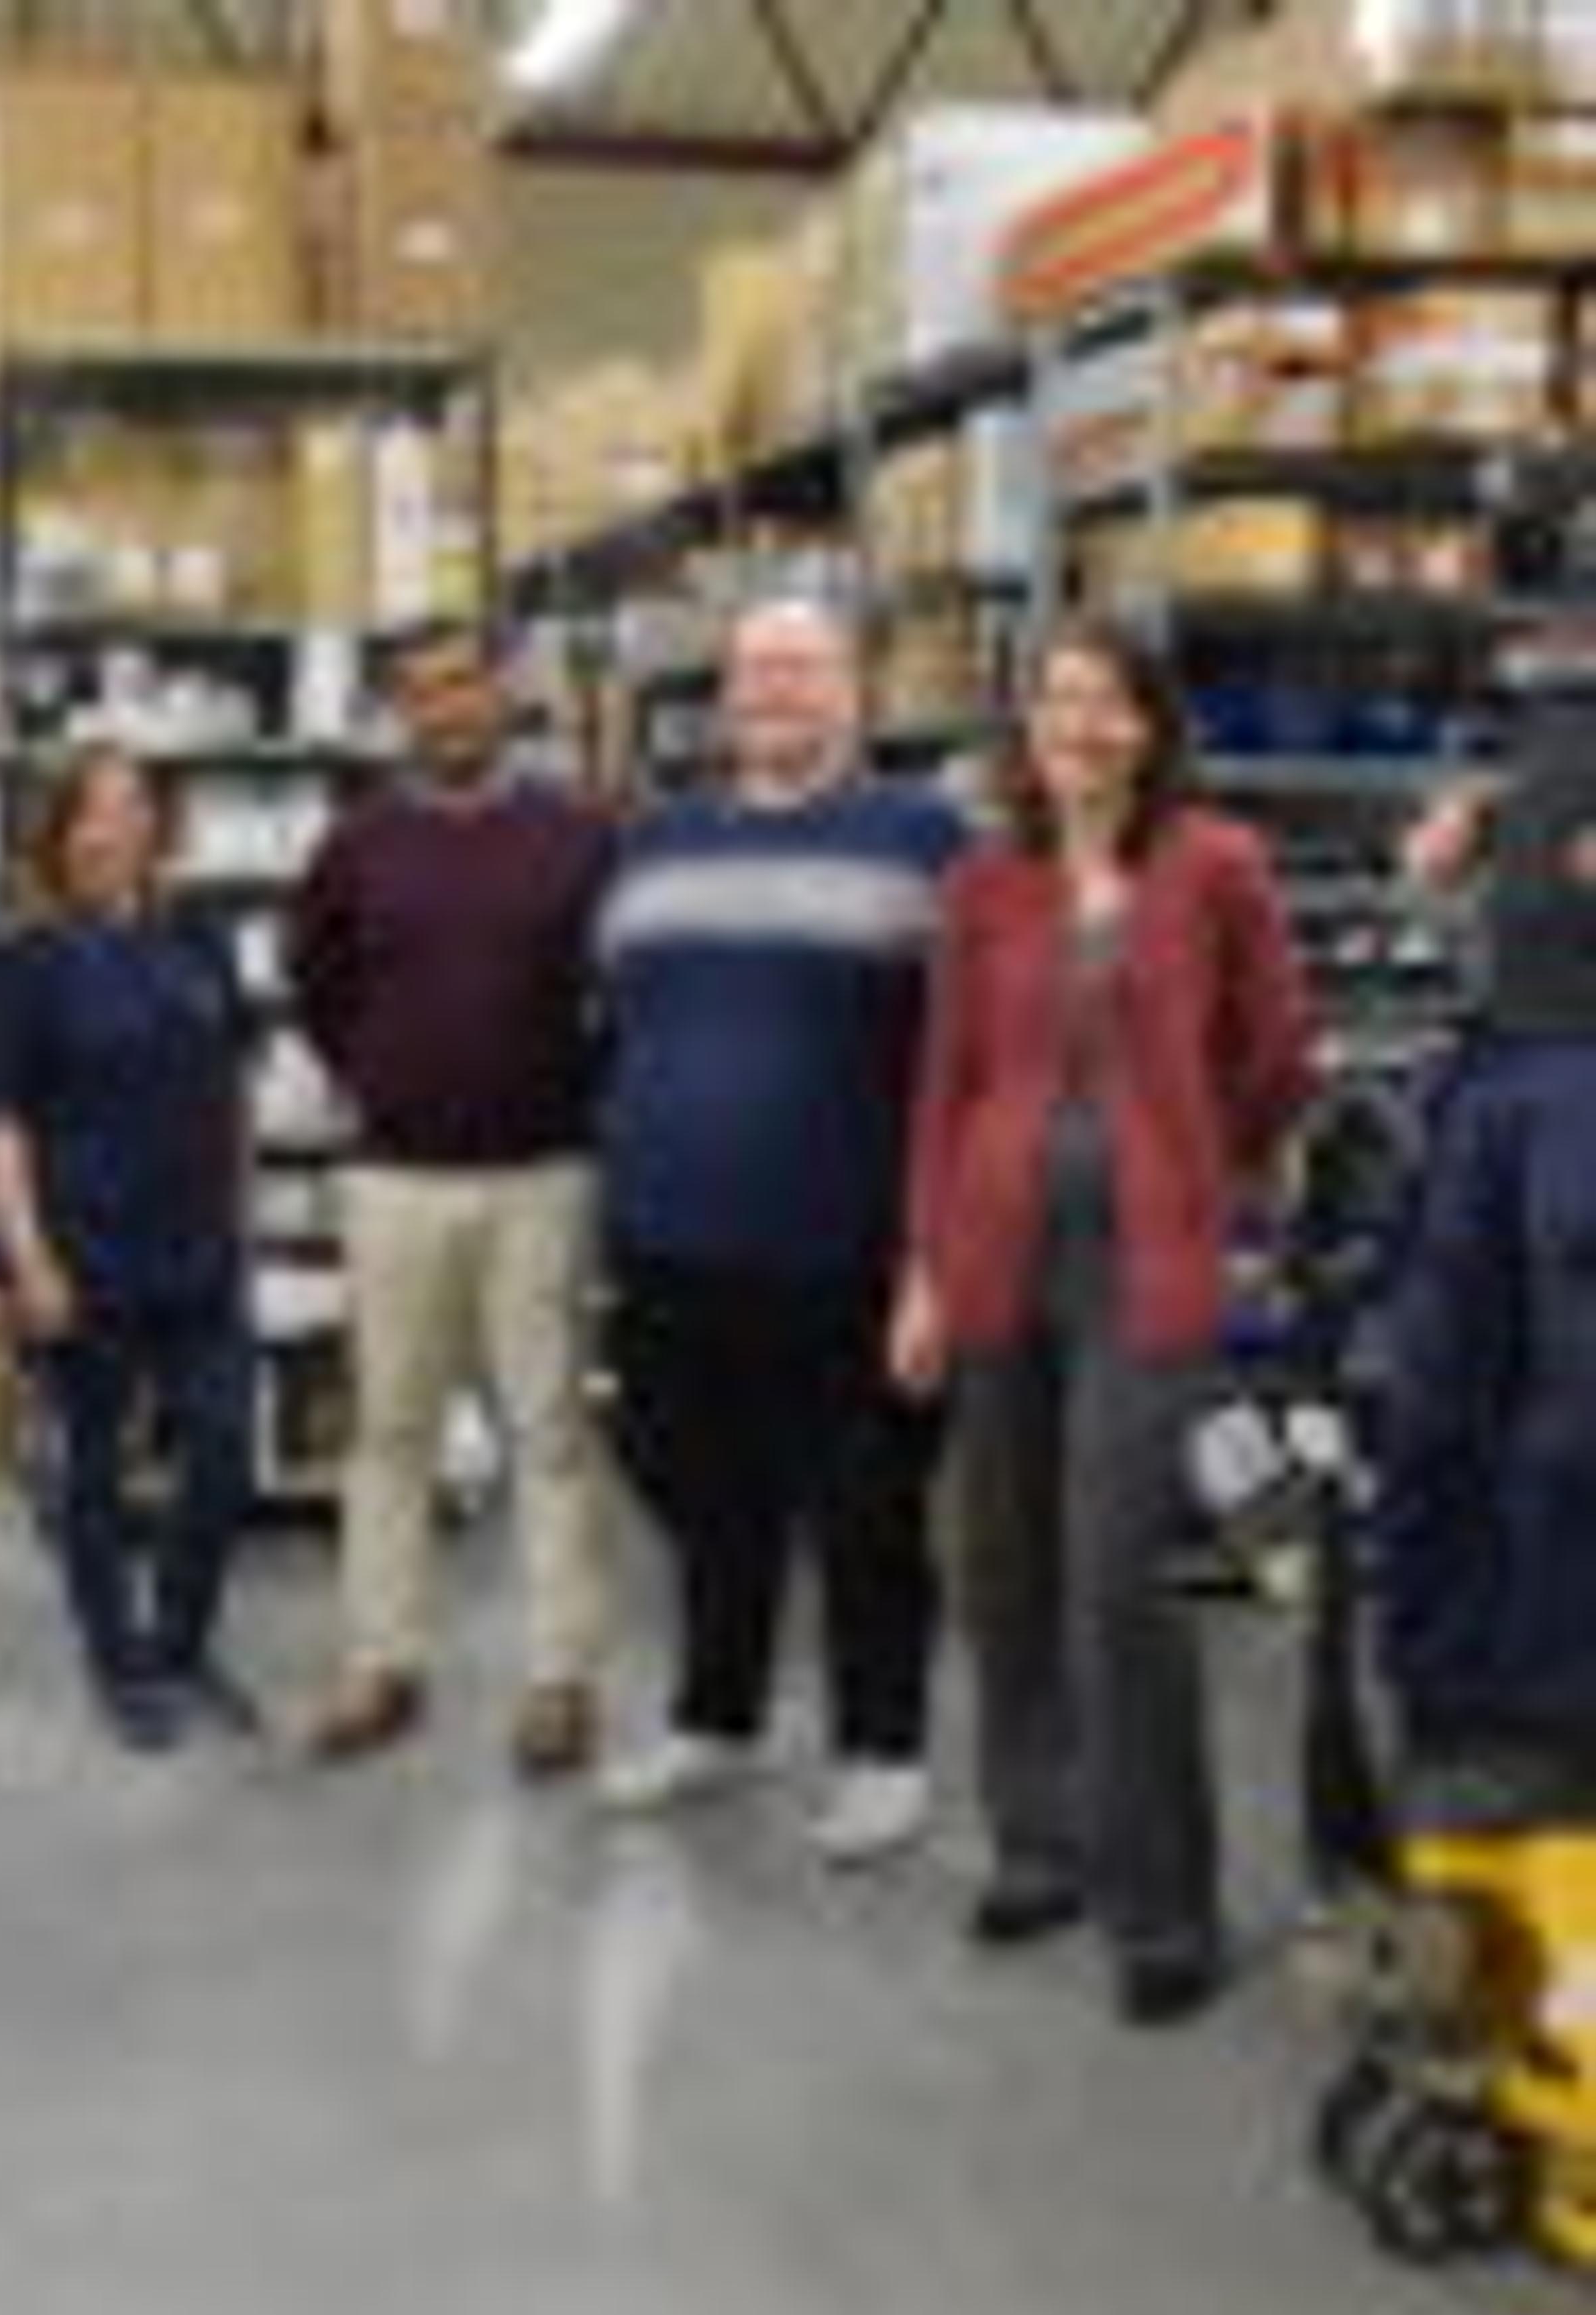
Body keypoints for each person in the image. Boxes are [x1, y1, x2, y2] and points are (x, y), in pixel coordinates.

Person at [892, 619, 1315, 2024]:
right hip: (996, 1251)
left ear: (1148, 726)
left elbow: (1277, 1056)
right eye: (1055, 702)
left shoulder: (1216, 865)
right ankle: (1041, 1846)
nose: (1076, 726)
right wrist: (923, 1271)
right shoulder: (983, 883)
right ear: (1028, 729)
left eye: (1105, 702)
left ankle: (1165, 1908)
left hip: (1149, 1262)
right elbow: (944, 1086)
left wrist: (1210, 1174)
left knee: (1120, 1582)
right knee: (1004, 1567)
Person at [593, 596, 965, 1865]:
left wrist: (935, 1255)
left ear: (854, 690)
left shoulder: (925, 837)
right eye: (757, 671)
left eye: (804, 668)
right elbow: (618, 1016)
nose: (777, 692)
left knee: (867, 1513)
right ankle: (716, 1719)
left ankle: (884, 1752)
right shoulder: (657, 842)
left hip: (845, 1247)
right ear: (726, 696)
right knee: (704, 1497)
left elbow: (970, 1055)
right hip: (668, 1241)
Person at [285, 622, 613, 1778]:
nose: (447, 709)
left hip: (542, 1177)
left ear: (501, 696)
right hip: (395, 1181)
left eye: (464, 684)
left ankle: (561, 1679)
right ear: (400, 714)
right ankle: (383, 1665)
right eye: (421, 693)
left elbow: (620, 989)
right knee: (390, 1432)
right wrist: (381, 1075)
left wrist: (573, 1091)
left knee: (551, 1432)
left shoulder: (579, 835)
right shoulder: (357, 844)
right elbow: (315, 983)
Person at [0, 746, 258, 1749]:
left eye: (133, 807)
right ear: (60, 836)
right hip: (84, 1253)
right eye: (92, 812)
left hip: (199, 1250)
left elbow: (232, 1084)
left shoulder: (200, 937)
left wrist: (242, 1214)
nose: (114, 829)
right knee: (95, 1468)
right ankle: (116, 1657)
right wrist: (30, 1259)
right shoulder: (26, 961)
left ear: (156, 826)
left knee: (224, 1449)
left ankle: (180, 1640)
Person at [1380, 688, 1596, 1781]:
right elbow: (1431, 866)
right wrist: (1455, 835)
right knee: (1436, 1397)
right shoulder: (1552, 709)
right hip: (1495, 1060)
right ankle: (1444, 1689)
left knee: (1572, 1424)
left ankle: (1556, 1718)